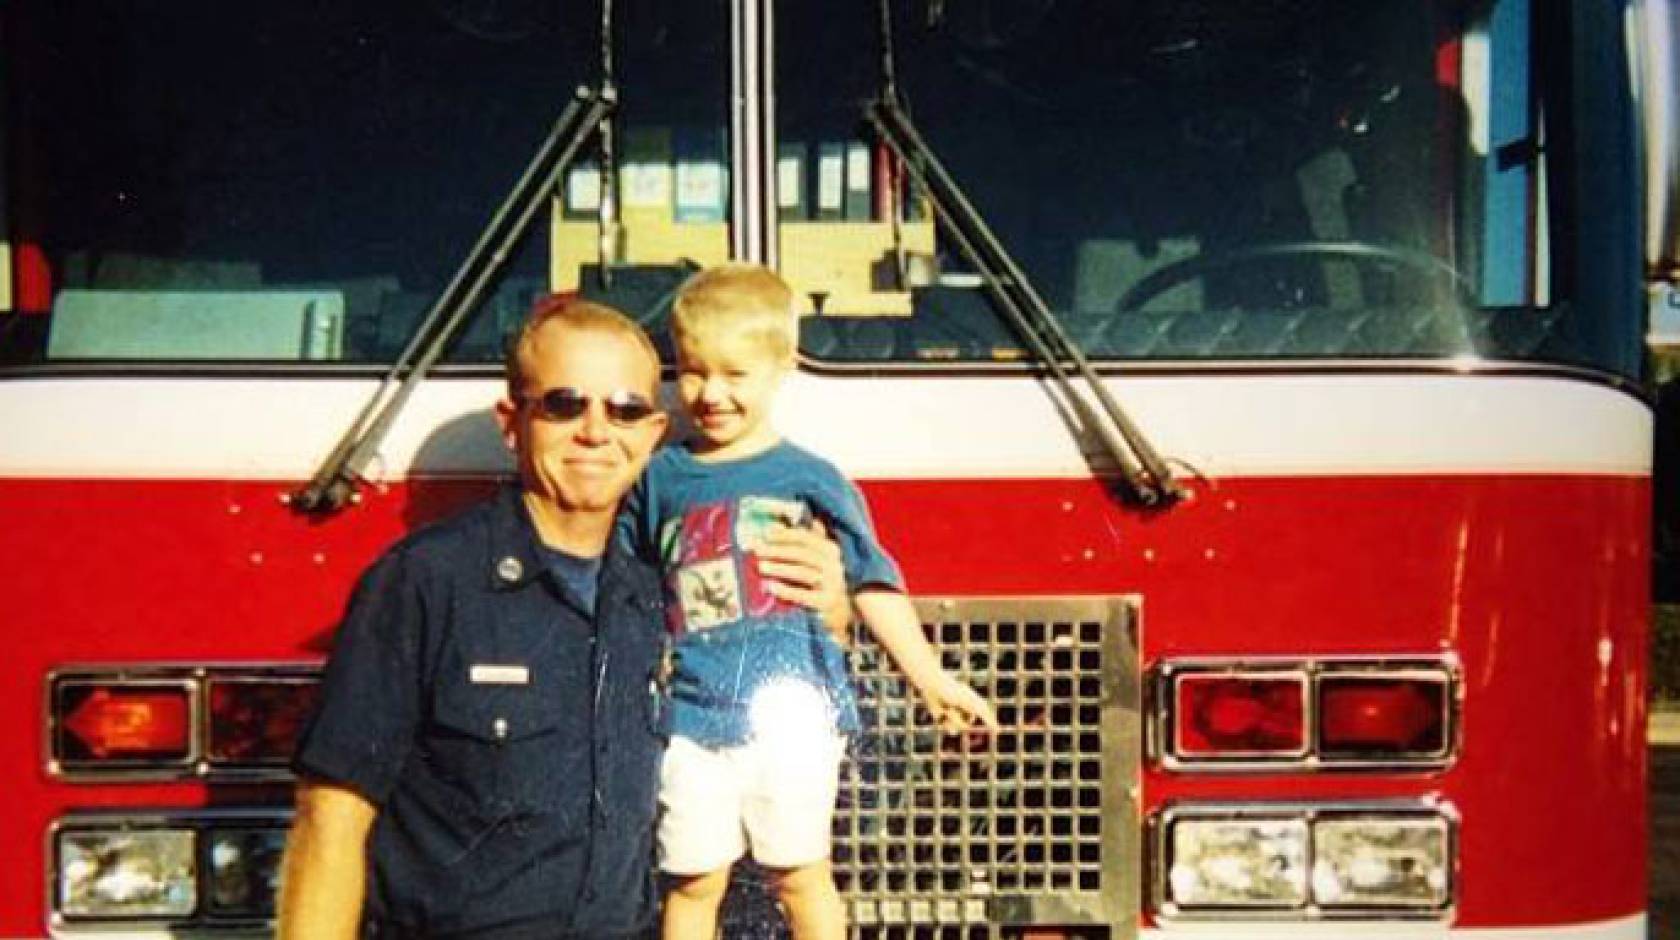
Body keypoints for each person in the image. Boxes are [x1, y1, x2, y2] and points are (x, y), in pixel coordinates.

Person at [277, 297, 849, 939]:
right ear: (511, 423)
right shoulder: (424, 582)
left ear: (655, 433)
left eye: (626, 410)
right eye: (563, 404)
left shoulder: (665, 593)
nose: (596, 432)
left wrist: (831, 611)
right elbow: (330, 818)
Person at [621, 264, 996, 940]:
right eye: (693, 371)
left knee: (800, 873)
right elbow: (625, 581)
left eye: (736, 374)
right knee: (692, 880)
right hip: (691, 715)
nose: (710, 394)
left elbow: (871, 580)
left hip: (791, 716)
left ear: (782, 367)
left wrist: (930, 677)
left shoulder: (810, 476)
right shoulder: (658, 476)